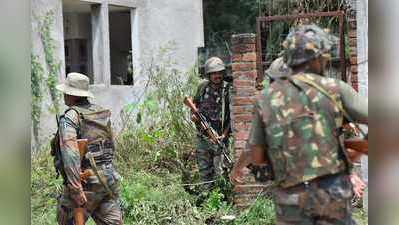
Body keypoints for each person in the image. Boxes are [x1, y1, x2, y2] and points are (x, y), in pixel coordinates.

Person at [230, 24, 368, 225]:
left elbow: (256, 154)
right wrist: (358, 148)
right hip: (330, 195)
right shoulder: (334, 89)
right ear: (319, 57)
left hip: (290, 201)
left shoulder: (267, 99)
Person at [54, 72, 123, 225]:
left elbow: (70, 154)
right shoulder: (99, 112)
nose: (64, 95)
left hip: (85, 183)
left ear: (72, 95)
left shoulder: (70, 117)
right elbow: (110, 146)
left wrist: (75, 188)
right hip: (107, 180)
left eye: (66, 91)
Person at [192, 57, 231, 190]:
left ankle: (222, 198)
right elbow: (194, 106)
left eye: (219, 73)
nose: (217, 76)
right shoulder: (202, 87)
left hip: (220, 137)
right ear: (208, 75)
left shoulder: (227, 89)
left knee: (222, 170)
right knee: (204, 171)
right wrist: (194, 118)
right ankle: (206, 197)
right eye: (214, 73)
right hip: (203, 137)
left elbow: (231, 117)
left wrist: (224, 135)